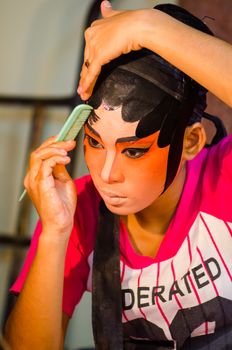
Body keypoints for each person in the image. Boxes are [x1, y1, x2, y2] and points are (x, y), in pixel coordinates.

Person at [4, 1, 232, 349]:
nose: (106, 174)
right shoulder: (77, 210)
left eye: (134, 150)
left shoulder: (223, 178)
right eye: (94, 142)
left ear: (190, 141)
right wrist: (55, 232)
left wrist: (148, 27)